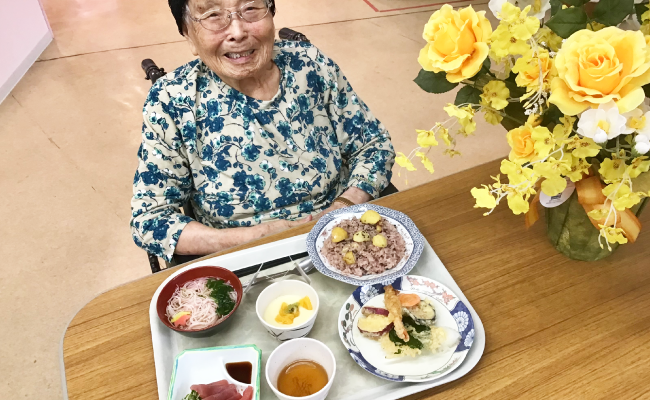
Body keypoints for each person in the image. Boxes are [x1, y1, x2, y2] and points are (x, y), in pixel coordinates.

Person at [130, 0, 396, 262]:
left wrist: (342, 209)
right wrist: (256, 237)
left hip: (342, 235)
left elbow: (373, 145)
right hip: (244, 258)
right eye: (212, 15)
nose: (237, 32)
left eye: (250, 8)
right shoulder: (173, 99)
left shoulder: (310, 65)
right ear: (188, 34)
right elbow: (151, 220)